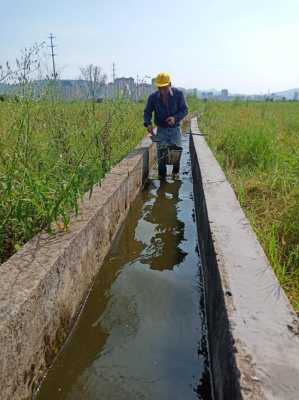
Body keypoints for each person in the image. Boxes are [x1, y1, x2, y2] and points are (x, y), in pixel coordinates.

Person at [144, 72, 188, 178]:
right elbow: (147, 112)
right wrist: (148, 124)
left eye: (164, 87)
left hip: (175, 129)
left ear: (170, 84)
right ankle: (162, 178)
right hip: (162, 130)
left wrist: (175, 118)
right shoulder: (153, 97)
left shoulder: (178, 94)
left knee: (176, 153)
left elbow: (185, 110)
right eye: (160, 88)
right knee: (161, 155)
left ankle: (175, 174)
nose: (162, 90)